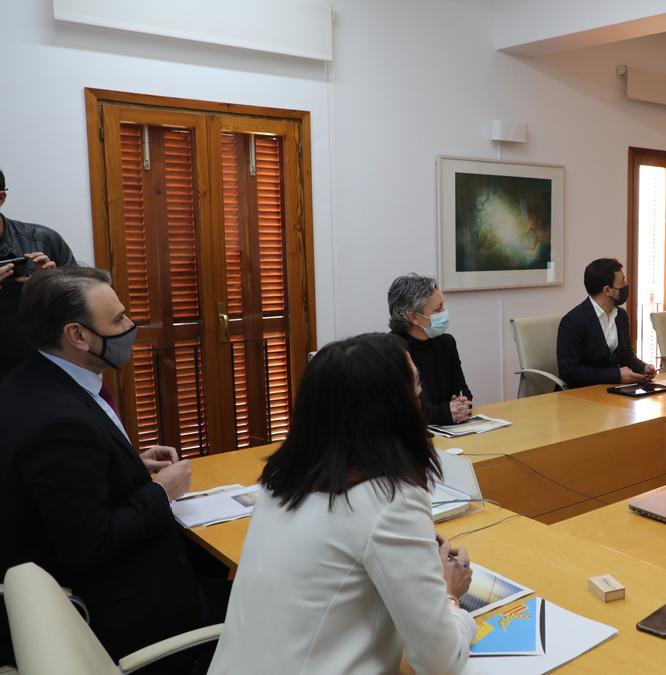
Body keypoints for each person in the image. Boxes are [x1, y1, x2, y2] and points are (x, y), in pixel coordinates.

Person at [208, 333, 476, 675]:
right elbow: (440, 663)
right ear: (393, 413)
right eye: (418, 393)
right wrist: (448, 596)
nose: (421, 402)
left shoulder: (280, 482)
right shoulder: (391, 498)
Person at [0, 267, 211, 673]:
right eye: (117, 320)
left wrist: (131, 464)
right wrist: (162, 491)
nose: (130, 326)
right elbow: (91, 542)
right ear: (77, 336)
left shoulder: (32, 382)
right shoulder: (59, 422)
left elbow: (67, 481)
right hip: (120, 613)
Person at [0, 168, 77, 379]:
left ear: (1, 198)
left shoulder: (44, 240)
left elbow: (83, 306)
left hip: (44, 371)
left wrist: (51, 283)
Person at [387, 273, 473, 425]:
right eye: (438, 309)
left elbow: (463, 391)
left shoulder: (446, 343)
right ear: (414, 318)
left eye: (443, 305)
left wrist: (462, 403)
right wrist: (446, 412)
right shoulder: (392, 351)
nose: (444, 313)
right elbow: (405, 411)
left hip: (453, 432)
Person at [557, 258, 656, 388]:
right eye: (623, 282)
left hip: (613, 391)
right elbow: (569, 372)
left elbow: (626, 356)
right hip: (581, 394)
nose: (626, 285)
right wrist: (616, 376)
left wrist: (643, 367)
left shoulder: (621, 316)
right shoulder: (573, 321)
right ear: (607, 290)